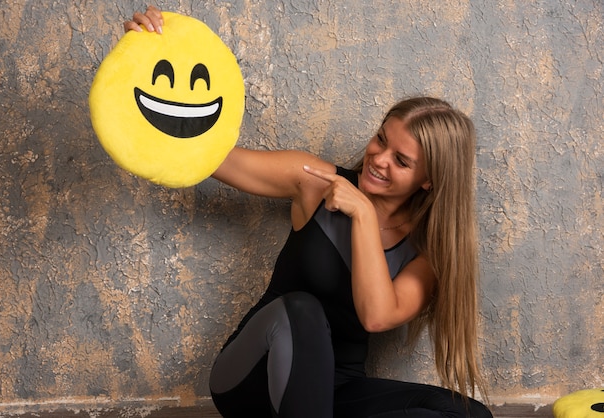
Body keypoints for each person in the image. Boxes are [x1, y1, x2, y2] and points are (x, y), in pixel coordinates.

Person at [127, 7, 493, 418]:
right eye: (380, 139)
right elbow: (204, 156)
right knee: (301, 306)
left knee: (466, 414)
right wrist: (143, 58)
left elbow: (376, 316)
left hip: (337, 391)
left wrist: (364, 216)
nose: (378, 158)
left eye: (401, 161)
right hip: (252, 377)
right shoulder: (314, 181)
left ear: (429, 180)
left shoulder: (427, 254)